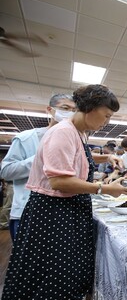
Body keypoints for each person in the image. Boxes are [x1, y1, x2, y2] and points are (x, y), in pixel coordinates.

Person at [1, 84, 127, 300]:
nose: (106, 122)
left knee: (66, 274)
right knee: (52, 276)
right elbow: (59, 182)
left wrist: (106, 158)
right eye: (106, 116)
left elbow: (77, 155)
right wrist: (103, 189)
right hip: (54, 213)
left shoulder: (78, 133)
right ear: (90, 108)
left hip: (67, 210)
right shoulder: (63, 131)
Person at [0, 93, 76, 241]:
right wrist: (41, 159)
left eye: (74, 110)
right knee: (28, 261)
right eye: (65, 108)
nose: (69, 114)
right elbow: (6, 171)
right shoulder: (26, 138)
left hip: (60, 213)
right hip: (27, 212)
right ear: (50, 109)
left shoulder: (73, 141)